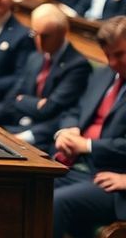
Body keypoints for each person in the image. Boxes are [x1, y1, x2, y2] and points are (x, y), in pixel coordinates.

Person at [0, 4, 90, 152]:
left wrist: (22, 100)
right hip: (15, 127)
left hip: (42, 139)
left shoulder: (78, 66)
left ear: (63, 32)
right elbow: (13, 97)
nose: (39, 42)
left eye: (46, 36)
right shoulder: (35, 57)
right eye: (35, 34)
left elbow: (51, 109)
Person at [53, 16, 126, 238]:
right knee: (25, 186)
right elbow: (76, 109)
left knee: (55, 202)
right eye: (108, 55)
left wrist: (87, 145)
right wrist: (69, 130)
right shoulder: (105, 73)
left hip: (112, 178)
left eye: (120, 55)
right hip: (77, 164)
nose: (112, 62)